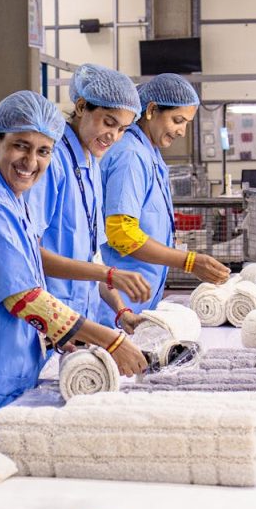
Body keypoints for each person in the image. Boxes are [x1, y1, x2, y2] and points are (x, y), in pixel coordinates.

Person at [0, 91, 148, 447]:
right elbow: (24, 298)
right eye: (21, 146)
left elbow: (24, 277)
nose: (31, 162)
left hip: (3, 372)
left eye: (43, 151)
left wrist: (64, 334)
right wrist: (110, 339)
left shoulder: (12, 200)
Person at [27, 64, 152, 334]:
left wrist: (122, 312)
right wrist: (109, 275)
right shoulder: (52, 161)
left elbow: (93, 257)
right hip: (44, 319)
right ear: (82, 106)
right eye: (109, 122)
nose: (114, 136)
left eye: (123, 129)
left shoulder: (91, 165)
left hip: (78, 319)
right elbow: (28, 254)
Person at [96, 74, 231, 325]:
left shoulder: (150, 154)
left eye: (187, 123)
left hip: (137, 299)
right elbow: (121, 232)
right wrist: (189, 261)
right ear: (151, 110)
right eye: (178, 120)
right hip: (117, 304)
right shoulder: (130, 156)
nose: (182, 131)